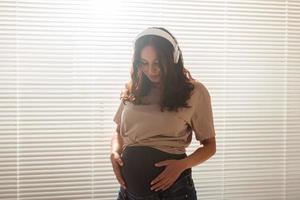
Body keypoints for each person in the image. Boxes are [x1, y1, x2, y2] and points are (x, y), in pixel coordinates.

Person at [110, 27, 216, 200]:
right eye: (144, 63)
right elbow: (117, 131)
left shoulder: (195, 91)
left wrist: (182, 165)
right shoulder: (135, 89)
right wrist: (114, 152)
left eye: (157, 63)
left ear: (173, 59)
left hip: (173, 192)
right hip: (128, 193)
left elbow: (210, 146)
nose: (151, 70)